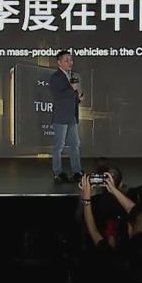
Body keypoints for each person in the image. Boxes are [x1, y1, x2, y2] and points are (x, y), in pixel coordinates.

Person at [48, 50, 83, 184]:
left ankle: (77, 171)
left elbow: (71, 96)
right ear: (59, 62)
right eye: (66, 60)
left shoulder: (71, 76)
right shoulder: (56, 77)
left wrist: (78, 99)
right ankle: (57, 173)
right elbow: (57, 96)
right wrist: (71, 89)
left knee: (75, 145)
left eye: (71, 60)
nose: (70, 62)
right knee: (58, 146)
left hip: (72, 116)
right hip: (61, 116)